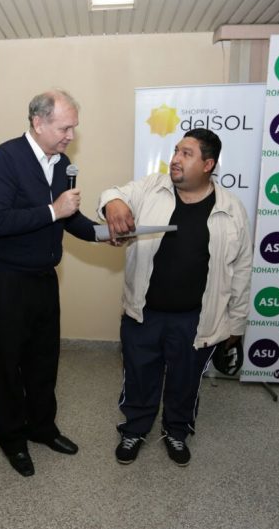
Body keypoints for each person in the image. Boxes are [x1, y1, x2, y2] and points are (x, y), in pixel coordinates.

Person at [98, 128, 252, 467]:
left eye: (187, 153)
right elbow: (112, 193)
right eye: (176, 151)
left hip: (196, 318)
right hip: (144, 313)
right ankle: (134, 429)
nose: (176, 159)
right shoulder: (152, 188)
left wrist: (236, 324)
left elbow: (241, 270)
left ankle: (177, 431)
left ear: (208, 164)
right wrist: (114, 202)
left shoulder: (231, 210)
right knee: (139, 375)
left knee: (185, 381)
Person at [0, 89, 96, 476]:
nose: (71, 136)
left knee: (45, 357)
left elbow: (69, 217)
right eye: (65, 128)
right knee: (8, 360)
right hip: (6, 277)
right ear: (38, 122)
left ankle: (43, 427)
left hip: (44, 275)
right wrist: (52, 210)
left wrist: (102, 234)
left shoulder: (62, 163)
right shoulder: (4, 158)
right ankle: (12, 438)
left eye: (73, 128)